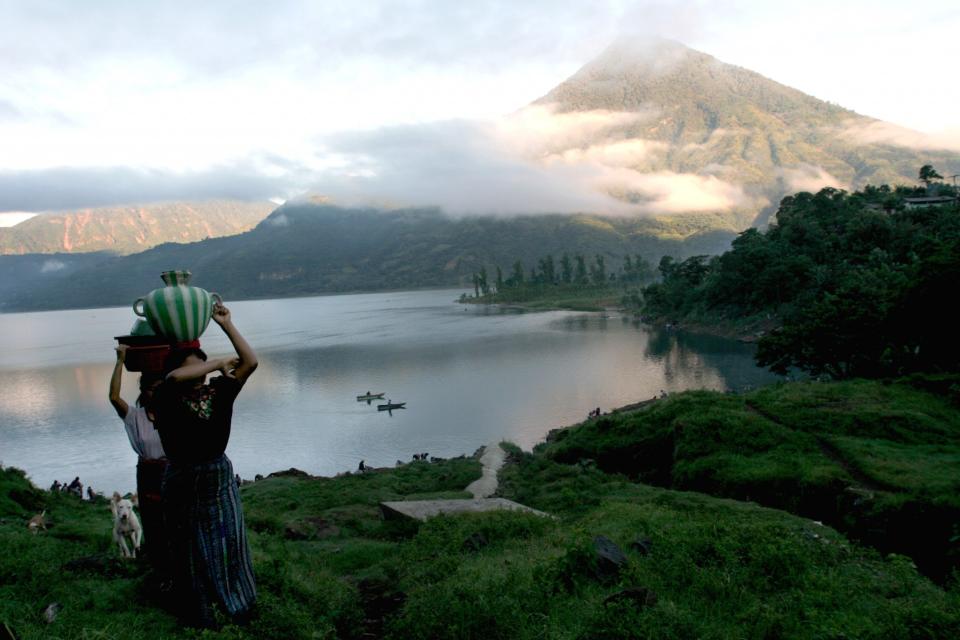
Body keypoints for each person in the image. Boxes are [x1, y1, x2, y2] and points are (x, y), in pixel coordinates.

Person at [153, 302, 258, 628]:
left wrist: (226, 324)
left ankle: (237, 605)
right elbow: (174, 376)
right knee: (188, 548)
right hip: (183, 482)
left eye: (205, 372)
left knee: (229, 540)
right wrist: (214, 362)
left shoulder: (218, 392)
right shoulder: (166, 396)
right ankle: (198, 613)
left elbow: (251, 362)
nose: (201, 378)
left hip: (218, 480)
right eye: (196, 372)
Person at [110, 346, 168, 571]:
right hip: (147, 473)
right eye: (153, 389)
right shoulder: (134, 416)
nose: (157, 393)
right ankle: (157, 566)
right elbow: (114, 397)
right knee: (152, 521)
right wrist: (120, 360)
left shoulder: (174, 413)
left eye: (161, 388)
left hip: (172, 471)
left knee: (174, 519)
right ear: (144, 391)